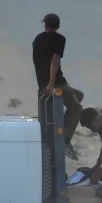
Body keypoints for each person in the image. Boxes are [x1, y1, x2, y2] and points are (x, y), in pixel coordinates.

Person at [32, 13, 84, 160]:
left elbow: (38, 62)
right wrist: (50, 84)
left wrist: (43, 83)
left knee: (79, 95)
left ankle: (62, 129)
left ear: (45, 24)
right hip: (55, 83)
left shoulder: (37, 39)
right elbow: (55, 61)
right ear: (58, 26)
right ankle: (65, 142)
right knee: (77, 108)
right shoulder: (59, 39)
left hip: (44, 82)